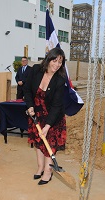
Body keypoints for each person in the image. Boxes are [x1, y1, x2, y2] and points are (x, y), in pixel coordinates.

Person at [24, 47, 67, 185]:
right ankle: (40, 167)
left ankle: (48, 172)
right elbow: (27, 90)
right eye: (55, 60)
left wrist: (48, 126)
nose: (57, 64)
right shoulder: (36, 70)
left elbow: (56, 106)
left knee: (49, 145)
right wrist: (30, 106)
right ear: (49, 59)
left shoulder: (60, 80)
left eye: (60, 62)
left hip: (53, 119)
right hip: (37, 115)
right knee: (38, 142)